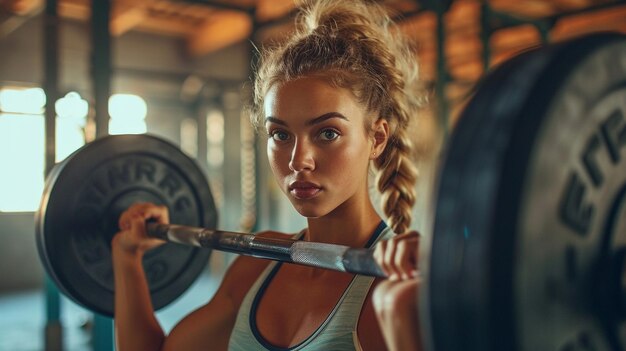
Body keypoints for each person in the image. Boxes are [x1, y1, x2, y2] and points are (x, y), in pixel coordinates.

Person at [112, 0, 423, 350]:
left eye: (327, 133)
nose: (298, 160)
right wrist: (127, 258)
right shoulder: (258, 263)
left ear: (377, 138)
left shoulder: (394, 290)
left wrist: (401, 320)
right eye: (281, 135)